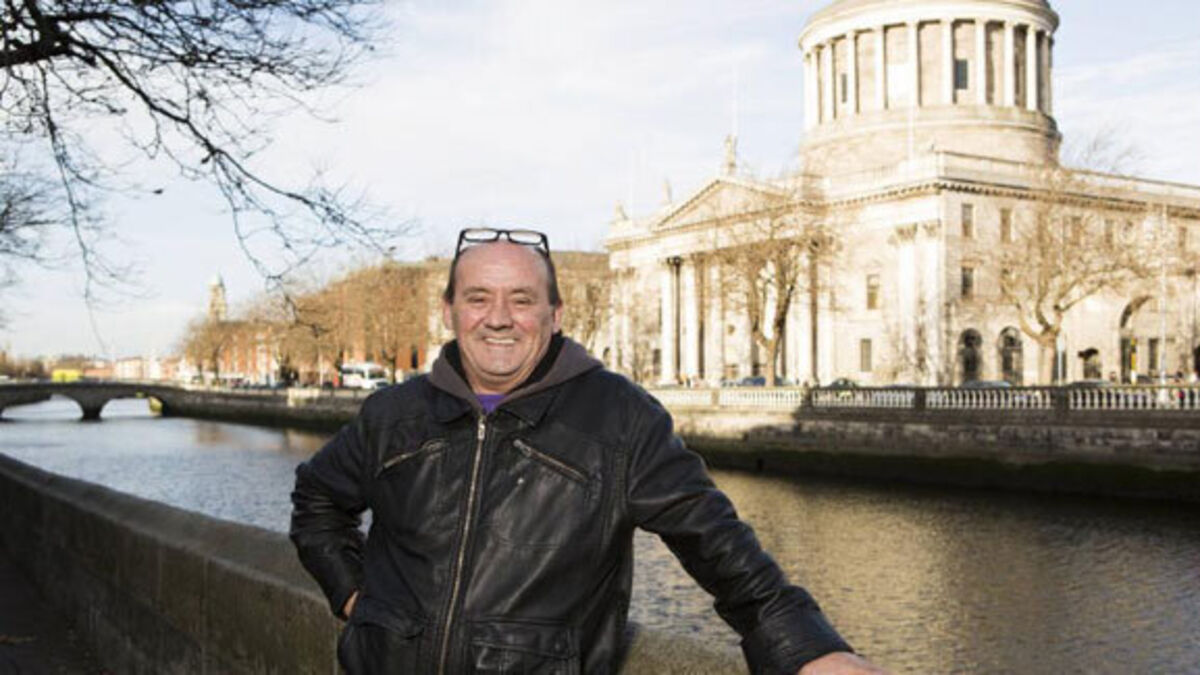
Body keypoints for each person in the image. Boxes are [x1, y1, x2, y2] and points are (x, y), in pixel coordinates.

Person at [290, 228, 886, 674]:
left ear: (554, 315)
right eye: (478, 298)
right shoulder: (393, 413)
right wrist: (356, 596)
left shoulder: (619, 418)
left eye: (522, 300)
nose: (499, 318)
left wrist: (805, 646)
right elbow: (316, 500)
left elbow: (714, 538)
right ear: (449, 312)